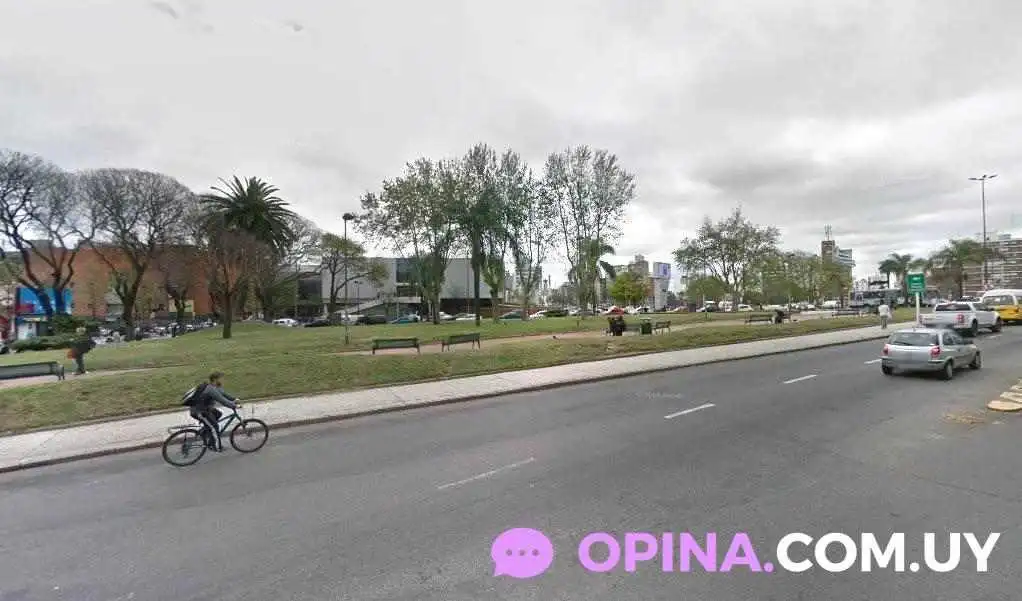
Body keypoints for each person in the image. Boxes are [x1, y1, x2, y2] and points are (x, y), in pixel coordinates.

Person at [181, 371, 242, 452]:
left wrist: (234, 399)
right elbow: (223, 401)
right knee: (215, 427)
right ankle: (216, 447)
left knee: (218, 414)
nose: (223, 380)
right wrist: (234, 406)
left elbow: (223, 394)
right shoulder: (211, 389)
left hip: (206, 409)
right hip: (199, 412)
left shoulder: (215, 386)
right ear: (215, 379)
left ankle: (205, 431)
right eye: (221, 378)